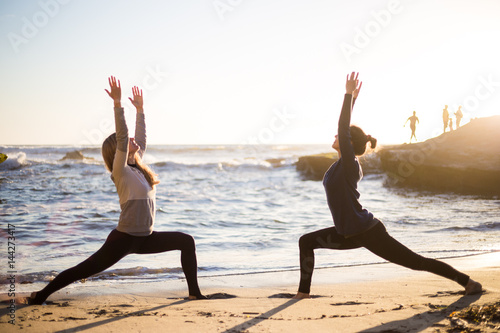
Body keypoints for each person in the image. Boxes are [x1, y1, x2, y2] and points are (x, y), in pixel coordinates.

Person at [293, 72, 482, 299]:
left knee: (416, 262)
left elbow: (343, 127)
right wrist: (352, 98)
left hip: (367, 232)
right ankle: (303, 293)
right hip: (347, 234)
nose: (335, 135)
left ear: (349, 142)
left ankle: (468, 282)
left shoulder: (350, 164)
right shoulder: (339, 165)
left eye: (341, 136)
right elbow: (345, 129)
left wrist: (348, 95)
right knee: (306, 241)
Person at [29, 76, 205, 304]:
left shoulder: (138, 167)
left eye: (132, 141)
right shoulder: (120, 171)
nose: (133, 140)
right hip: (123, 239)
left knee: (186, 241)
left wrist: (141, 111)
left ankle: (194, 293)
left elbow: (140, 138)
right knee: (83, 270)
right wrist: (117, 104)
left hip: (147, 238)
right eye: (127, 141)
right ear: (119, 150)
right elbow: (123, 137)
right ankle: (40, 296)